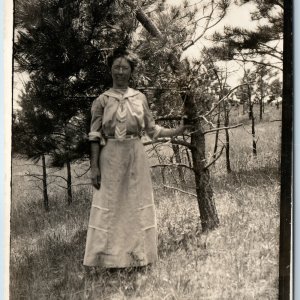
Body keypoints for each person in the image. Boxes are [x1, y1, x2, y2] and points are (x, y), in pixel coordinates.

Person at [83, 48, 189, 268]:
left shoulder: (139, 98)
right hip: (110, 155)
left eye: (125, 68)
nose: (120, 72)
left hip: (135, 154)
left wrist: (177, 130)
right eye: (116, 67)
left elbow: (152, 130)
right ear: (110, 70)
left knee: (135, 203)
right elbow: (94, 136)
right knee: (110, 204)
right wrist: (94, 167)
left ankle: (139, 257)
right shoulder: (101, 100)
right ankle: (108, 260)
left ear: (131, 72)